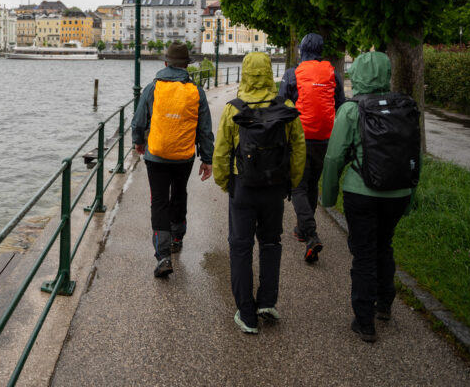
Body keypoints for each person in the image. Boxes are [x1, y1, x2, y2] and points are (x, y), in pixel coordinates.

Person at [321, 51, 417, 343]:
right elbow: (414, 155)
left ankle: (364, 321)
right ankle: (385, 303)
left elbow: (335, 157)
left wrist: (328, 195)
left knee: (363, 253)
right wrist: (410, 195)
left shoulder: (351, 110)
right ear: (386, 74)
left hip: (361, 190)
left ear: (357, 74)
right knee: (384, 245)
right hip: (397, 192)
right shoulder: (406, 108)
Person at [213, 52, 305, 333]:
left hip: (243, 186)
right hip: (274, 187)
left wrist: (226, 182)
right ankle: (266, 301)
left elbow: (221, 152)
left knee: (240, 247)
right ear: (268, 72)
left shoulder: (233, 108)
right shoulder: (286, 107)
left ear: (244, 73)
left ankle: (246, 313)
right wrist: (290, 182)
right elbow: (298, 148)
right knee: (270, 243)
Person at [132, 43, 214, 278]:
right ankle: (177, 236)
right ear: (186, 65)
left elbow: (138, 121)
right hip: (184, 156)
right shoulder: (196, 91)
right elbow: (205, 130)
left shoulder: (152, 88)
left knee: (158, 200)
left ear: (165, 63)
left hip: (156, 155)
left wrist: (138, 141)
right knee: (179, 193)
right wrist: (207, 159)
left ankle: (163, 255)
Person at [278, 33, 346, 262]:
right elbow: (341, 105)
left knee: (297, 185)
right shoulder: (333, 74)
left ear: (302, 50)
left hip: (300, 137)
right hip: (324, 139)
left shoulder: (292, 74)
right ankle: (301, 228)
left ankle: (310, 234)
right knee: (311, 185)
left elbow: (281, 106)